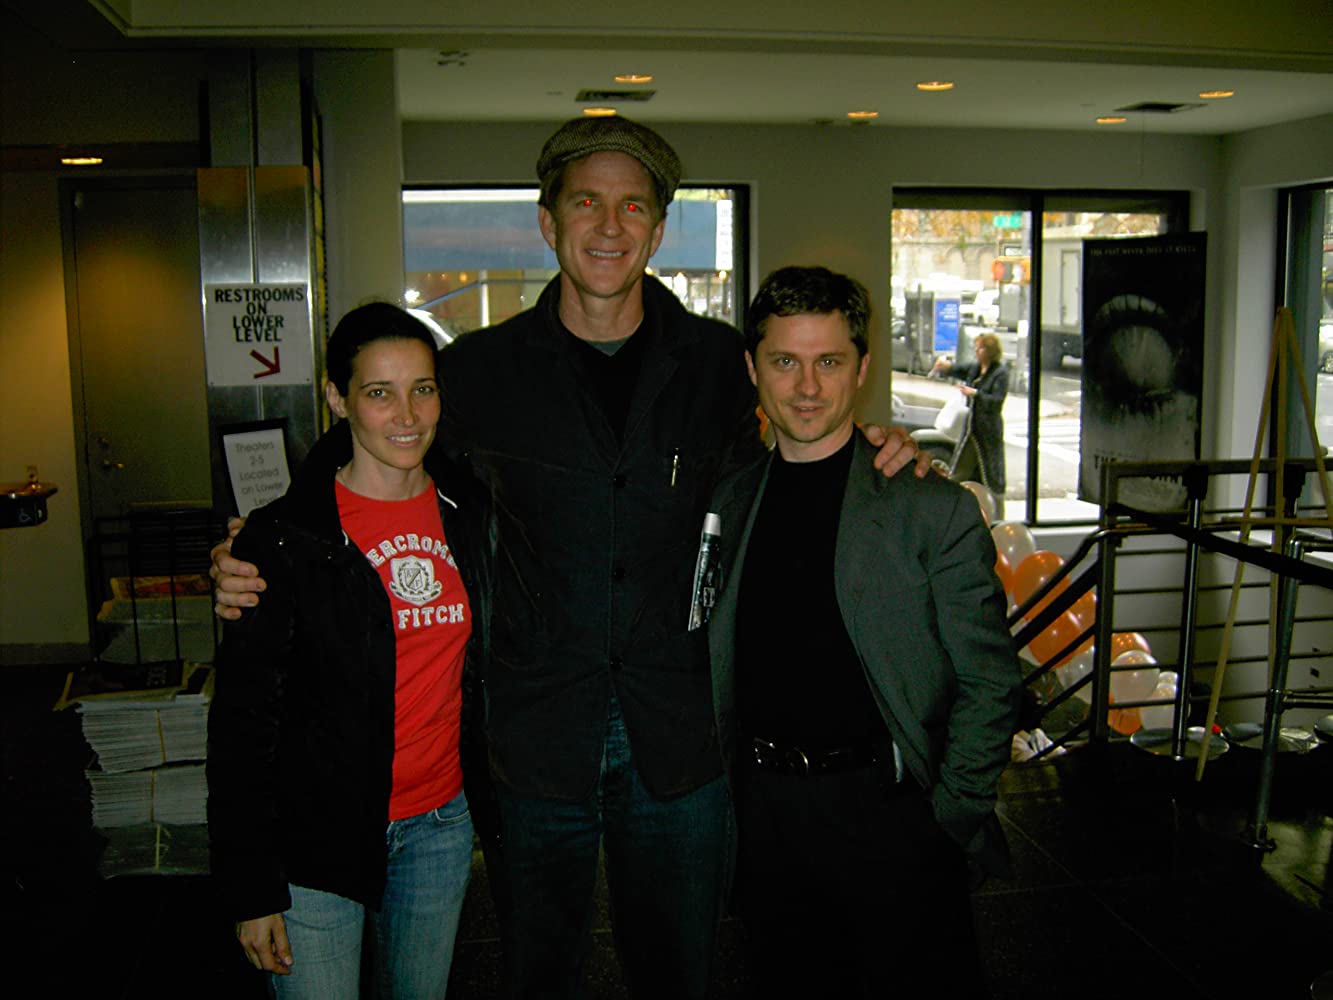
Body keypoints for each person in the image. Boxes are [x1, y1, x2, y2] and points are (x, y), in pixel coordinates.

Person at [212, 116, 928, 1000]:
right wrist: (275, 540)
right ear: (547, 223)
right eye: (586, 202)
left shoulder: (718, 363)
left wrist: (881, 449)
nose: (609, 225)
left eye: (633, 207)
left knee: (678, 971)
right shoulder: (478, 371)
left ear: (657, 230)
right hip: (535, 732)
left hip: (678, 735)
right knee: (537, 970)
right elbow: (383, 440)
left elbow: (797, 443)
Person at [708, 266, 1021, 996]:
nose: (806, 386)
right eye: (784, 361)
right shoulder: (731, 501)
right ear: (753, 368)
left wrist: (949, 817)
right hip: (767, 820)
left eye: (829, 361)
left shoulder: (930, 508)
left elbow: (989, 681)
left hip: (891, 816)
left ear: (862, 367)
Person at [206, 304, 490, 998]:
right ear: (337, 398)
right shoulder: (286, 538)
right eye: (379, 392)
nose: (407, 415)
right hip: (317, 836)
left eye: (422, 389)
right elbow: (243, 723)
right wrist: (252, 885)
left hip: (439, 826)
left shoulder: (473, 513)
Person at [932, 331, 1009, 493]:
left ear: (990, 351)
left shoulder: (1000, 373)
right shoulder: (976, 368)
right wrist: (946, 367)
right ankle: (955, 493)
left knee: (989, 471)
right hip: (972, 427)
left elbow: (996, 401)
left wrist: (975, 393)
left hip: (988, 429)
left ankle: (993, 500)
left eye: (980, 348)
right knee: (963, 465)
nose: (976, 351)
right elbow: (959, 370)